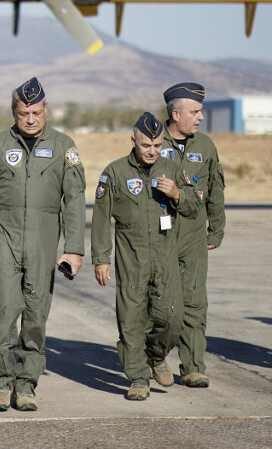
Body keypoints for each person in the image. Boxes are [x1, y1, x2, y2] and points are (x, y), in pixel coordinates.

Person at [0, 76, 86, 412]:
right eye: (23, 113)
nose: (30, 119)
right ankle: (1, 382)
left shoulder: (63, 147)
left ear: (46, 110)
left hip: (43, 241)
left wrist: (74, 248)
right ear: (13, 113)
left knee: (35, 317)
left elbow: (73, 200)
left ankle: (27, 384)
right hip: (5, 237)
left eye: (36, 112)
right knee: (2, 312)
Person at [92, 112, 198, 400]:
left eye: (156, 145)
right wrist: (101, 258)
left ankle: (156, 355)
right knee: (131, 320)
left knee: (172, 318)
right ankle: (138, 377)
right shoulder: (114, 173)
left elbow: (193, 208)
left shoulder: (171, 167)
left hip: (165, 257)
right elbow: (101, 218)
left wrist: (177, 193)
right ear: (133, 141)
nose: (151, 151)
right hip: (131, 257)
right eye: (145, 145)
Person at [159, 82, 226, 388]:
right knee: (159, 303)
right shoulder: (152, 141)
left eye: (201, 111)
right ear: (175, 113)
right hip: (161, 235)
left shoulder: (205, 146)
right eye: (195, 111)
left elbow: (215, 190)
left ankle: (193, 366)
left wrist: (217, 228)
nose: (200, 117)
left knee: (195, 302)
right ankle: (153, 358)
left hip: (195, 234)